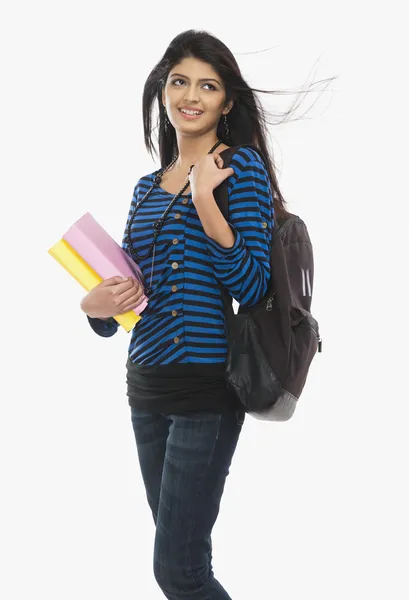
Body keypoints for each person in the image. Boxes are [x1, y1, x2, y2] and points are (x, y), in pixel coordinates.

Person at [80, 29, 290, 600]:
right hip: (145, 387)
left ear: (226, 101)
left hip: (207, 388)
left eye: (208, 84)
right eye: (179, 81)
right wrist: (96, 308)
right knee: (185, 561)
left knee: (178, 573)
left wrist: (205, 202)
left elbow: (253, 285)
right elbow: (132, 299)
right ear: (163, 90)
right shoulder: (145, 189)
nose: (190, 94)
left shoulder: (237, 170)